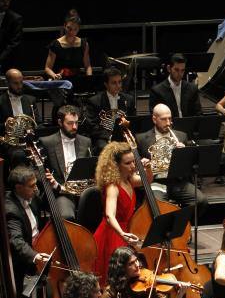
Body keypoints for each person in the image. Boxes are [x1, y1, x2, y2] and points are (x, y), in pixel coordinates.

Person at [136, 103, 208, 219]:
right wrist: (142, 162)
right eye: (164, 119)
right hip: (156, 182)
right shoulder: (141, 139)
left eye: (170, 118)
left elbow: (190, 165)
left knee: (201, 201)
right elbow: (135, 164)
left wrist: (184, 153)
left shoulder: (181, 136)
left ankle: (182, 228)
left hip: (177, 182)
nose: (168, 123)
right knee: (158, 206)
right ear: (154, 119)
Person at [92, 142, 151, 284]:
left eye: (133, 162)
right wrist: (121, 234)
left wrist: (148, 169)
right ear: (116, 165)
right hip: (113, 233)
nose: (133, 166)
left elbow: (147, 180)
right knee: (115, 278)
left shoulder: (129, 180)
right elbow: (109, 215)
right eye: (128, 163)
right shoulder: (113, 186)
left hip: (126, 231)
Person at [39, 104, 93, 222]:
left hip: (83, 191)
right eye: (70, 123)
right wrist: (50, 179)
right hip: (61, 192)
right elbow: (38, 170)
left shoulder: (86, 142)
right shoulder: (47, 142)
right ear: (60, 122)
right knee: (66, 216)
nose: (74, 127)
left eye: (76, 123)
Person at [5, 166, 48, 298]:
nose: (36, 189)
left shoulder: (30, 194)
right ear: (18, 188)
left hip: (39, 242)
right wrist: (35, 256)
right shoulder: (11, 210)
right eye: (32, 186)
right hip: (23, 255)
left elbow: (46, 204)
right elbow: (16, 241)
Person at [43, 10, 92, 122]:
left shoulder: (84, 43)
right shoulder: (56, 44)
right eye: (69, 28)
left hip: (77, 79)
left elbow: (88, 65)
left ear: (78, 29)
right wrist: (54, 75)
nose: (72, 32)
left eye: (75, 29)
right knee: (61, 106)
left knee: (79, 105)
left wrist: (89, 79)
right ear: (64, 26)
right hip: (61, 80)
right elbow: (47, 68)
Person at [84, 67, 137, 150]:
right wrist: (109, 135)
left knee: (135, 146)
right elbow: (92, 126)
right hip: (103, 137)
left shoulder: (129, 99)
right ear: (106, 84)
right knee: (105, 148)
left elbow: (134, 120)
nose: (118, 86)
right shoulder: (94, 101)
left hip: (124, 134)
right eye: (114, 83)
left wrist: (128, 124)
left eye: (120, 82)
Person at [148, 53, 202, 118]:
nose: (180, 74)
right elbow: (156, 117)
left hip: (188, 126)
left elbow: (198, 114)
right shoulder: (157, 91)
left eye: (182, 70)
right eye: (176, 70)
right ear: (168, 68)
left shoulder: (192, 88)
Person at [0, 68, 39, 136]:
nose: (20, 86)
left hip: (28, 140)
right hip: (7, 142)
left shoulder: (31, 100)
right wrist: (6, 125)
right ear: (7, 83)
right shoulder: (1, 101)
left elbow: (38, 123)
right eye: (16, 83)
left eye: (21, 82)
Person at [0, 0, 23, 71]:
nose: (6, 3)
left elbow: (13, 44)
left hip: (6, 63)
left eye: (8, 0)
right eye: (3, 0)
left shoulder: (16, 19)